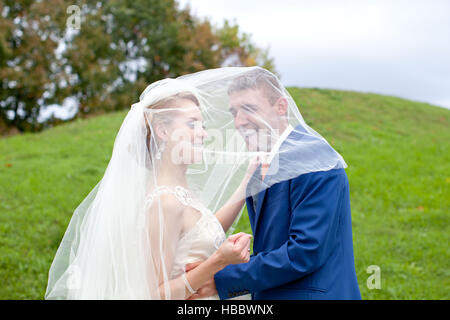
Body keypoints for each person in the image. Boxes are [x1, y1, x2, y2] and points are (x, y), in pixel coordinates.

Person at [45, 79, 254, 299]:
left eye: (202, 125)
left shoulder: (177, 190)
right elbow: (154, 294)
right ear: (163, 130)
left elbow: (200, 233)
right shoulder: (165, 201)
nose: (203, 134)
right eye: (192, 124)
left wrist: (246, 184)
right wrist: (218, 261)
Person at [188, 67, 362, 300]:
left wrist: (222, 280)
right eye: (234, 112)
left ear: (281, 107)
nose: (239, 122)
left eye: (249, 109)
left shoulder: (316, 160)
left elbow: (304, 252)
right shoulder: (262, 163)